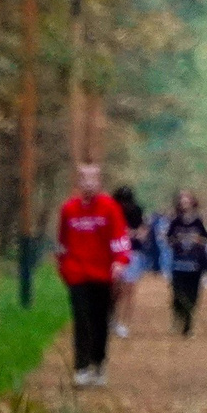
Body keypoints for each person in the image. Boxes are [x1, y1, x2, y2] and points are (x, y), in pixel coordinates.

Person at [56, 161, 131, 388]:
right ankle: (81, 367)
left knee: (99, 321)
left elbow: (120, 238)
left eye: (92, 178)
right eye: (83, 178)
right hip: (77, 274)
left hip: (103, 274)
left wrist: (119, 262)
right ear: (78, 182)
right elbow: (62, 243)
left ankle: (98, 364)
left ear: (99, 181)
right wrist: (65, 270)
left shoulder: (110, 208)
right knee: (81, 320)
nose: (88, 183)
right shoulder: (69, 209)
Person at [164, 189, 207, 336]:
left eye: (187, 199)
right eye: (182, 200)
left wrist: (197, 240)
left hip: (195, 264)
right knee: (177, 293)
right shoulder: (175, 221)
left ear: (192, 202)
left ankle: (188, 325)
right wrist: (177, 240)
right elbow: (168, 240)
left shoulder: (198, 221)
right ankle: (178, 316)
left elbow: (206, 240)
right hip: (178, 263)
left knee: (193, 295)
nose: (185, 203)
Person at [110, 185, 147, 339]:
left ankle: (123, 323)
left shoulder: (137, 210)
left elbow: (143, 230)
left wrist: (137, 233)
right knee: (115, 288)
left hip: (133, 252)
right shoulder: (110, 210)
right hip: (115, 253)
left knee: (129, 289)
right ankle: (112, 317)